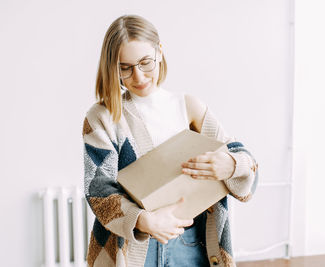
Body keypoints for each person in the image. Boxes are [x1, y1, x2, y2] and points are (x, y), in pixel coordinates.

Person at [82, 14, 258, 267]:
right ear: (112, 67)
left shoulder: (189, 107)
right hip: (133, 247)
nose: (139, 76)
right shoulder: (103, 117)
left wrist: (231, 164)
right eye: (125, 68)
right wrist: (143, 221)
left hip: (192, 243)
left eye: (145, 63)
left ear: (160, 52)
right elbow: (98, 189)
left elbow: (246, 160)